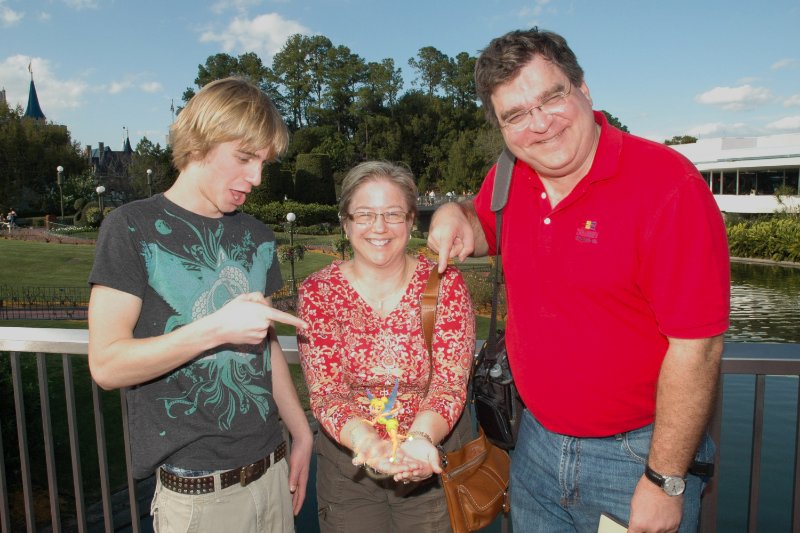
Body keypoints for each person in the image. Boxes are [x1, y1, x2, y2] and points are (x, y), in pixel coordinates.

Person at [427, 28, 730, 533]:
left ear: (583, 90)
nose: (540, 125)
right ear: (501, 127)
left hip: (635, 456)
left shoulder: (667, 186)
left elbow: (697, 347)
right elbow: (480, 225)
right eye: (516, 115)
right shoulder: (508, 178)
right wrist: (452, 215)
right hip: (534, 446)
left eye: (551, 97)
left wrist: (664, 480)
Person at [87, 77, 312, 533]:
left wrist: (302, 433)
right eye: (245, 158)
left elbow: (265, 348)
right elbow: (107, 365)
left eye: (263, 162)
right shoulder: (130, 227)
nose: (257, 177)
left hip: (273, 474)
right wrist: (217, 327)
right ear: (199, 144)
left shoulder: (258, 237)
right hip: (198, 499)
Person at [297, 161, 476, 532]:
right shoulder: (319, 293)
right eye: (364, 214)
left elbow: (448, 383)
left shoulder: (445, 285)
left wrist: (419, 440)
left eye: (393, 214)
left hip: (426, 464)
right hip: (350, 471)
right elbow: (327, 392)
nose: (379, 227)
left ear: (412, 221)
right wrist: (369, 444)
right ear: (345, 223)